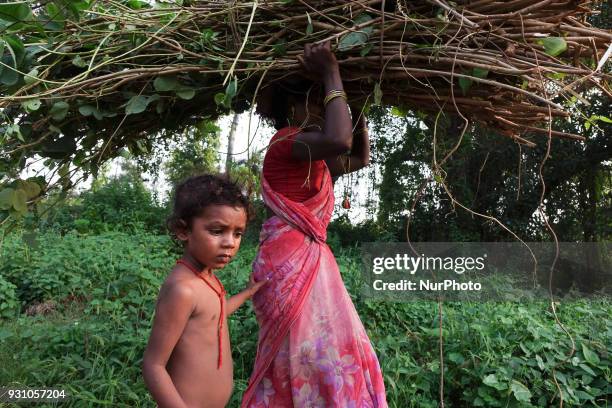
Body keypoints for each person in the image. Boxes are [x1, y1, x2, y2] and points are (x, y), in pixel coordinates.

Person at [242, 41, 388, 407]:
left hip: (313, 265)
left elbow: (358, 155)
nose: (323, 110)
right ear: (292, 107)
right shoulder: (284, 146)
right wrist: (330, 73)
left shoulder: (316, 162)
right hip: (286, 266)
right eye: (315, 102)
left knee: (330, 354)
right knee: (305, 355)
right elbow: (339, 139)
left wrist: (355, 105)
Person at [143, 174, 267, 408]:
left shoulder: (206, 276)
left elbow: (214, 314)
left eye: (237, 233)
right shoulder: (183, 290)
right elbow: (153, 366)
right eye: (217, 231)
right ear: (183, 231)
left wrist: (247, 293)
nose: (230, 243)